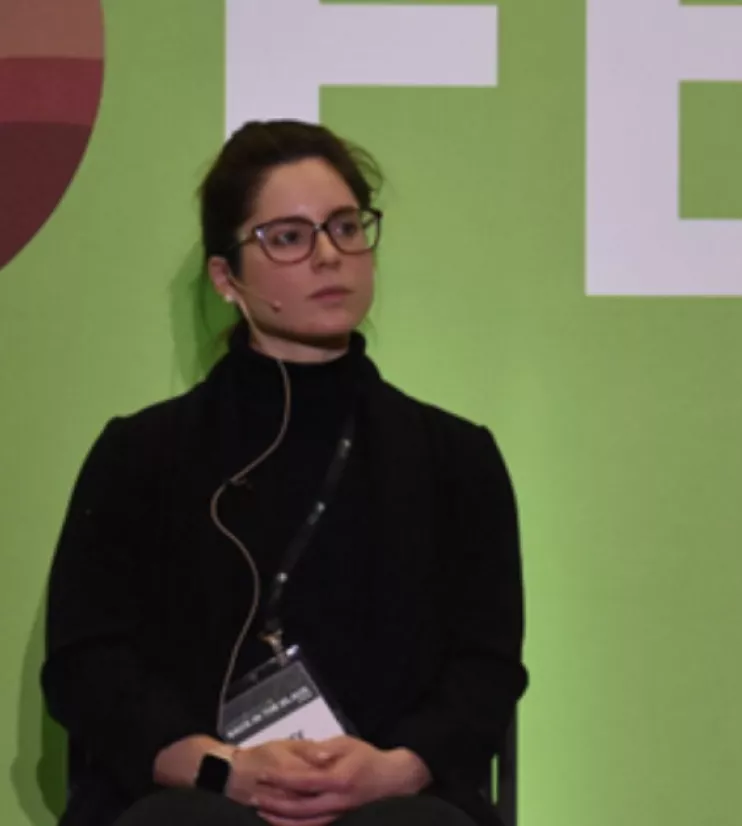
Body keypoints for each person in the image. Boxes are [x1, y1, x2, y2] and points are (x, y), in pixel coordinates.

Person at [42, 120, 527, 826]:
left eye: (345, 226)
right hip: (198, 796)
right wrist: (224, 770)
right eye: (289, 237)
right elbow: (86, 666)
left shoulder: (454, 456)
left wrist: (393, 769)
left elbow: (485, 669)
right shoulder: (141, 453)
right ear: (226, 276)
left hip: (392, 801)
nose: (329, 255)